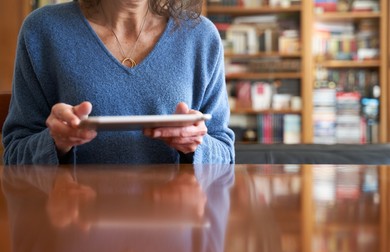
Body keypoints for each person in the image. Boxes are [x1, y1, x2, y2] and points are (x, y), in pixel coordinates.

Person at [2, 0, 235, 164]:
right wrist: (55, 142)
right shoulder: (42, 30)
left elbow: (225, 154)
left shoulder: (201, 36)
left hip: (173, 225)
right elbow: (14, 153)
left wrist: (196, 145)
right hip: (76, 224)